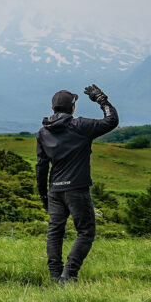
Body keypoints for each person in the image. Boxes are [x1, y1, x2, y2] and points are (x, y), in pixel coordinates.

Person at [36, 84, 118, 283]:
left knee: (55, 232)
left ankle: (55, 276)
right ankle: (69, 274)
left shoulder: (43, 132)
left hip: (55, 190)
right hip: (77, 189)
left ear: (52, 107)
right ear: (72, 108)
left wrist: (44, 195)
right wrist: (102, 100)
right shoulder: (80, 125)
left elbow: (41, 167)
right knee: (86, 231)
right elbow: (111, 120)